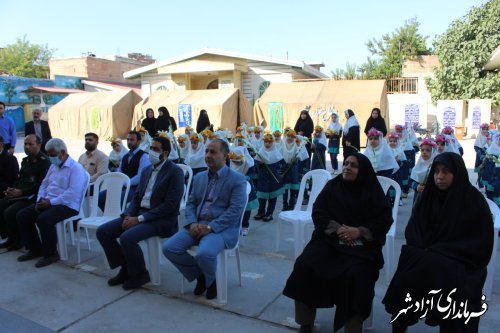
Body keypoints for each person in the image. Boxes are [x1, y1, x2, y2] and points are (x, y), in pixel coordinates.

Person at [383, 153, 493, 333]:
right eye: (436, 172)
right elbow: (413, 232)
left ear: (457, 174)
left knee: (456, 292)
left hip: (461, 263)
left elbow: (480, 244)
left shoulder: (473, 201)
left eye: (446, 172)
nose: (439, 177)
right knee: (405, 280)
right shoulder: (428, 198)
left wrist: (441, 252)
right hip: (427, 258)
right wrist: (428, 251)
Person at [283, 153, 393, 333]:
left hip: (361, 249)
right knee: (305, 265)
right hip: (330, 242)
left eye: (354, 165)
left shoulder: (373, 192)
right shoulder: (333, 187)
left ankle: (352, 328)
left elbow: (384, 220)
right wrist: (338, 230)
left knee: (357, 276)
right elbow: (319, 211)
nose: (347, 167)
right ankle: (305, 322)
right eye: (346, 163)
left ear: (363, 171)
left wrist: (359, 231)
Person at [162, 139, 247, 300]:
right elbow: (191, 203)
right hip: (197, 225)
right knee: (169, 248)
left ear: (225, 156)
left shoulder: (237, 180)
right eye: (207, 151)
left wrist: (210, 227)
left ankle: (212, 282)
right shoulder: (200, 177)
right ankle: (202, 276)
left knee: (204, 254)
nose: (208, 155)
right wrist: (192, 222)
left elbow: (235, 211)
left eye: (213, 152)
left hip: (221, 229)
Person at [97, 136, 184, 290]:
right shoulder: (146, 170)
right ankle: (126, 268)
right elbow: (137, 197)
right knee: (103, 232)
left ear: (165, 153)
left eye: (156, 149)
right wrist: (128, 215)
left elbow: (170, 206)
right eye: (151, 148)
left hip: (161, 219)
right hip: (139, 214)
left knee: (127, 238)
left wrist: (140, 219)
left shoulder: (174, 172)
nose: (151, 152)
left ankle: (140, 274)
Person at [16, 138, 88, 268]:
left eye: (53, 155)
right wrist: (40, 199)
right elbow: (44, 184)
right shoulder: (53, 166)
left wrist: (51, 202)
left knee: (43, 219)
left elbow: (72, 193)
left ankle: (51, 254)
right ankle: (35, 249)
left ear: (63, 152)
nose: (50, 157)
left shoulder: (75, 168)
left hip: (67, 205)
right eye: (48, 154)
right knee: (22, 215)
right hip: (49, 201)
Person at [0, 135, 50, 253]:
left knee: (10, 212)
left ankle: (19, 240)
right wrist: (12, 189)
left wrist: (21, 192)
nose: (27, 147)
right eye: (25, 144)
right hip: (21, 193)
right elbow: (20, 179)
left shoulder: (44, 162)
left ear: (39, 145)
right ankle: (11, 238)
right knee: (1, 205)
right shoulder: (26, 160)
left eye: (30, 144)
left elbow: (41, 185)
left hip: (33, 196)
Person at [254, 134, 285, 222]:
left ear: (273, 143)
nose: (267, 144)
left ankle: (269, 213)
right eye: (265, 142)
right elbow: (255, 164)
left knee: (272, 197)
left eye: (269, 142)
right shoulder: (260, 152)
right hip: (263, 179)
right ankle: (261, 212)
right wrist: (260, 164)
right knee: (261, 197)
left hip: (273, 179)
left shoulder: (276, 153)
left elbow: (283, 164)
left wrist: (279, 172)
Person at [229, 146, 258, 236]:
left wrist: (247, 177)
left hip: (246, 188)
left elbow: (254, 174)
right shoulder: (230, 163)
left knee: (246, 208)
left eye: (238, 162)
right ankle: (235, 225)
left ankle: (245, 225)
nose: (236, 163)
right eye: (234, 161)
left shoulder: (249, 164)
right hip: (234, 187)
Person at [409, 138, 437, 204]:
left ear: (433, 152)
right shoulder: (417, 167)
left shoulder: (436, 167)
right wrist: (416, 187)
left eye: (428, 150)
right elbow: (411, 181)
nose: (424, 152)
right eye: (422, 150)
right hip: (419, 198)